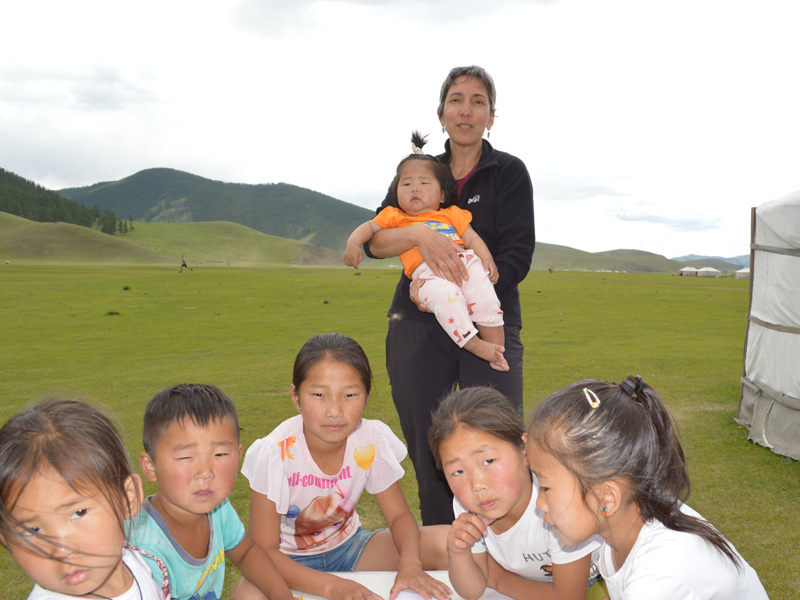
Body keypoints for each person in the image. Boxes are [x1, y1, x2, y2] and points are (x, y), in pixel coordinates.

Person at [365, 65, 535, 525]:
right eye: (456, 100)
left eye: (478, 101)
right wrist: (421, 237)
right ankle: (442, 550)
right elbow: (376, 241)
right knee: (429, 445)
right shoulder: (417, 172)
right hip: (419, 317)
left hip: (486, 317)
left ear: (491, 117)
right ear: (441, 114)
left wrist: (466, 282)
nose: (466, 110)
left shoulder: (509, 173)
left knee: (495, 440)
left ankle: (505, 555)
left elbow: (518, 255)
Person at [231, 333, 450, 600]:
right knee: (247, 594)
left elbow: (399, 517)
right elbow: (264, 551)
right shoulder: (276, 452)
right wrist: (331, 586)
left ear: (367, 396)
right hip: (286, 563)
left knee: (447, 542)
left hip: (352, 549)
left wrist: (410, 564)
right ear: (296, 397)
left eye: (349, 394)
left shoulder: (370, 440)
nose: (334, 410)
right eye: (319, 394)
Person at [527, 376, 769, 599]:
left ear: (607, 498)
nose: (539, 503)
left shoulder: (659, 577)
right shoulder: (632, 517)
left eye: (546, 488)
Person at [345, 131, 507, 371]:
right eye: (406, 183)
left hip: (464, 265)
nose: (414, 189)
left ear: (442, 194)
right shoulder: (394, 216)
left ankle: (498, 350)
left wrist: (486, 258)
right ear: (396, 192)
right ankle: (473, 344)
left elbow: (471, 237)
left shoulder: (451, 213)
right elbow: (369, 228)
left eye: (423, 182)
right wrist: (352, 244)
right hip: (427, 275)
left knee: (486, 298)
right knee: (446, 299)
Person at [429, 387, 603, 600]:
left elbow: (569, 596)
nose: (476, 485)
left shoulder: (555, 501)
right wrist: (458, 552)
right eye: (457, 472)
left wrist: (500, 579)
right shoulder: (467, 506)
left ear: (524, 450)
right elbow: (473, 590)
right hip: (535, 585)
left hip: (600, 581)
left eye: (488, 461)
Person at [131, 384, 294, 600]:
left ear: (238, 455)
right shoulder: (146, 551)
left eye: (220, 454)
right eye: (185, 457)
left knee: (255, 588)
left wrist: (281, 595)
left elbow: (246, 553)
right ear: (150, 466)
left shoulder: (218, 509)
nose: (205, 473)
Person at [0, 398, 166, 600]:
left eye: (79, 513)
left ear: (128, 499)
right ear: (4, 537)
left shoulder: (133, 562)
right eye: (32, 530)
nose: (61, 550)